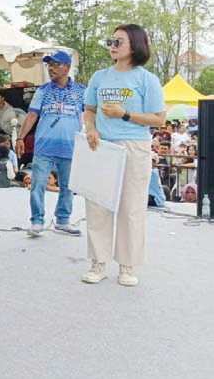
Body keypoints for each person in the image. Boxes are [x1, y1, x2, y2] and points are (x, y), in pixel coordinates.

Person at [82, 23, 165, 287]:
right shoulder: (99, 77)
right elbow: (90, 109)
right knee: (97, 205)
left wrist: (124, 114)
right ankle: (98, 262)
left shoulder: (147, 79)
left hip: (134, 145)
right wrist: (91, 128)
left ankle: (127, 265)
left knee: (131, 207)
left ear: (135, 46)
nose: (113, 46)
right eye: (111, 41)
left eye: (119, 42)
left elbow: (159, 119)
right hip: (102, 145)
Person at [16, 51, 86, 237]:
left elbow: (91, 115)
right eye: (49, 65)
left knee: (68, 186)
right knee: (38, 184)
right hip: (44, 146)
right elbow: (32, 115)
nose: (51, 68)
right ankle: (37, 221)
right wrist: (20, 138)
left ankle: (63, 221)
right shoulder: (43, 90)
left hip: (70, 146)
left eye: (56, 64)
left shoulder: (81, 91)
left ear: (68, 67)